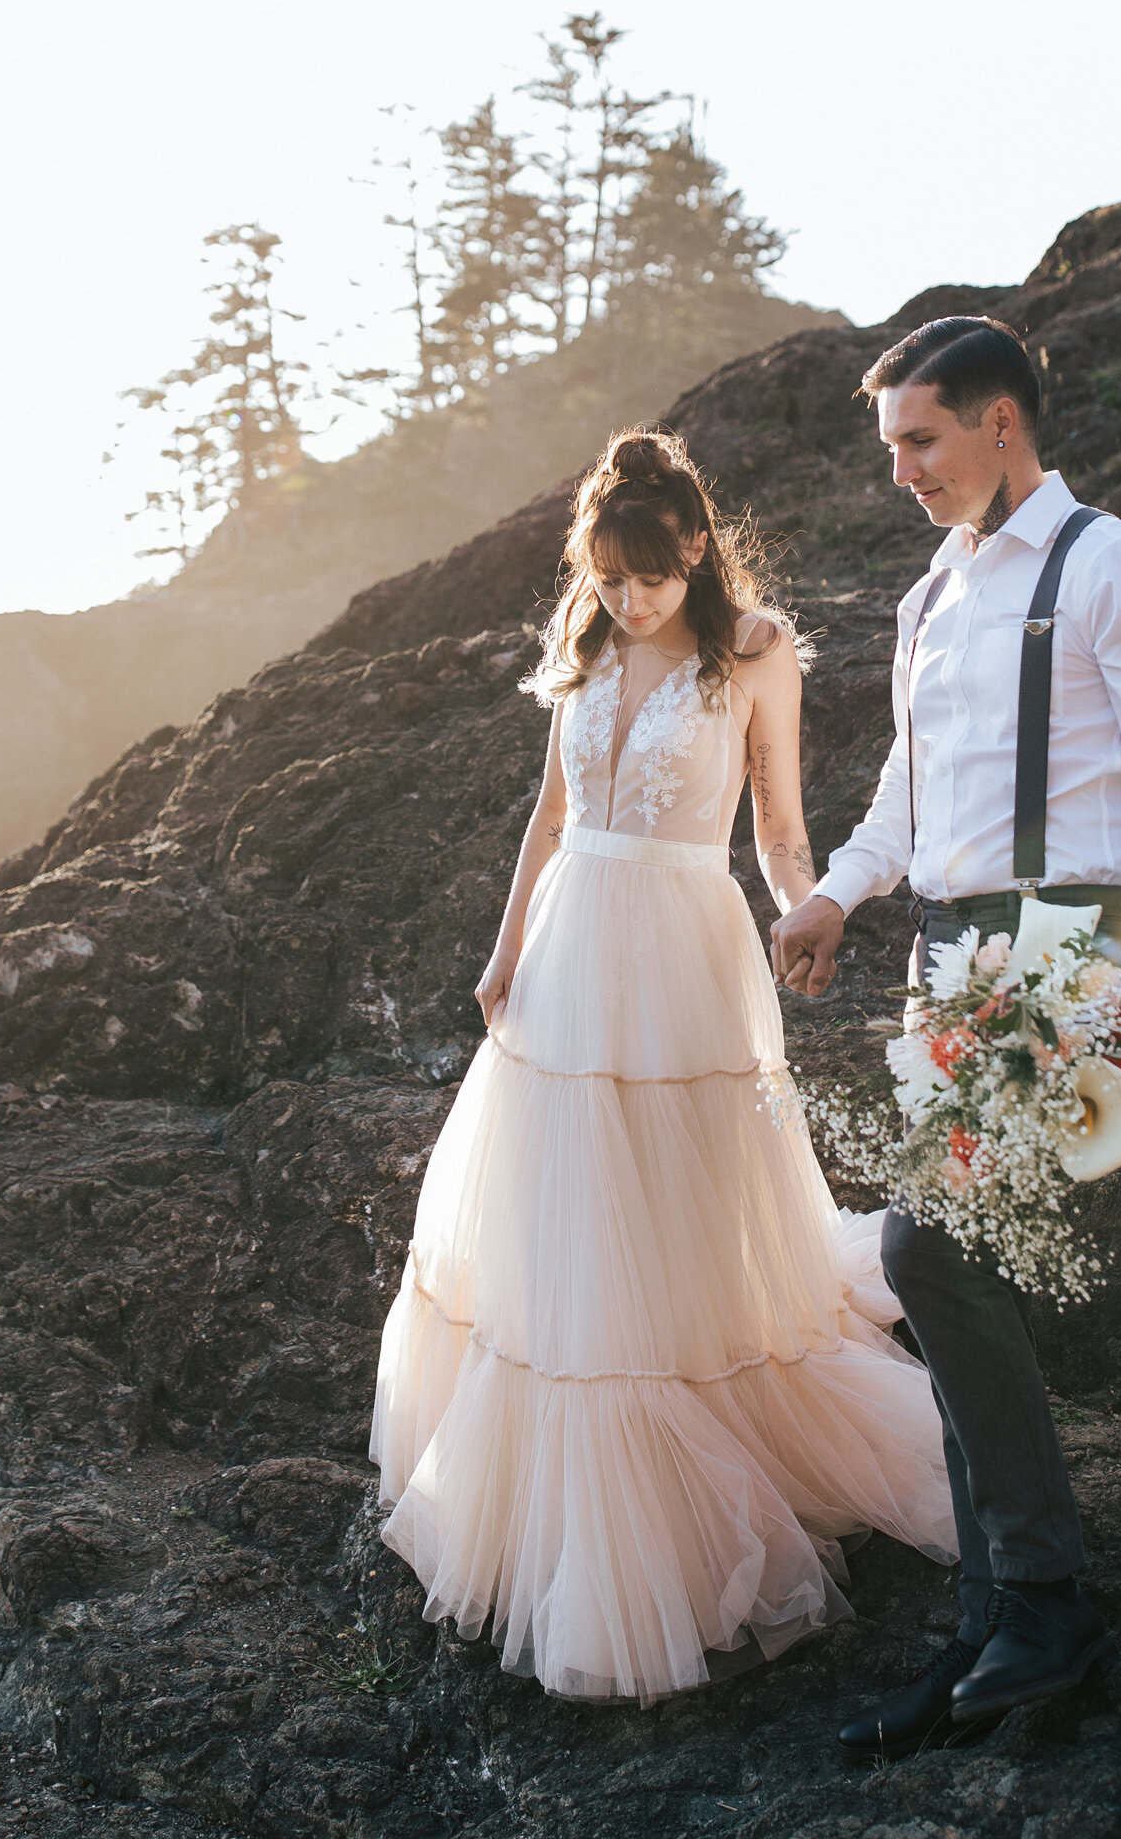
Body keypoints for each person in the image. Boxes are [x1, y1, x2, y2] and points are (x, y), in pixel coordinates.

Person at [371, 428, 957, 1702]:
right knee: (568, 1202)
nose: (625, 599)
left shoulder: (752, 650)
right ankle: (564, 1489)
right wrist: (502, 948)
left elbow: (779, 819)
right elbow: (548, 813)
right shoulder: (582, 647)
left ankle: (704, 1445)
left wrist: (810, 909)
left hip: (686, 945)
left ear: (693, 549)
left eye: (643, 576)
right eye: (604, 577)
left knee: (684, 1192)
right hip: (575, 942)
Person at [773, 317, 1121, 1757]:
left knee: (927, 1250)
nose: (902, 471)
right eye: (891, 448)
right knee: (955, 1265)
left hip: (1074, 950)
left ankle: (1041, 1599)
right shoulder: (931, 599)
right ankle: (993, 1629)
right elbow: (911, 796)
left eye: (919, 441)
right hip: (955, 959)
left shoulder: (1114, 564)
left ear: (998, 425)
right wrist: (839, 894)